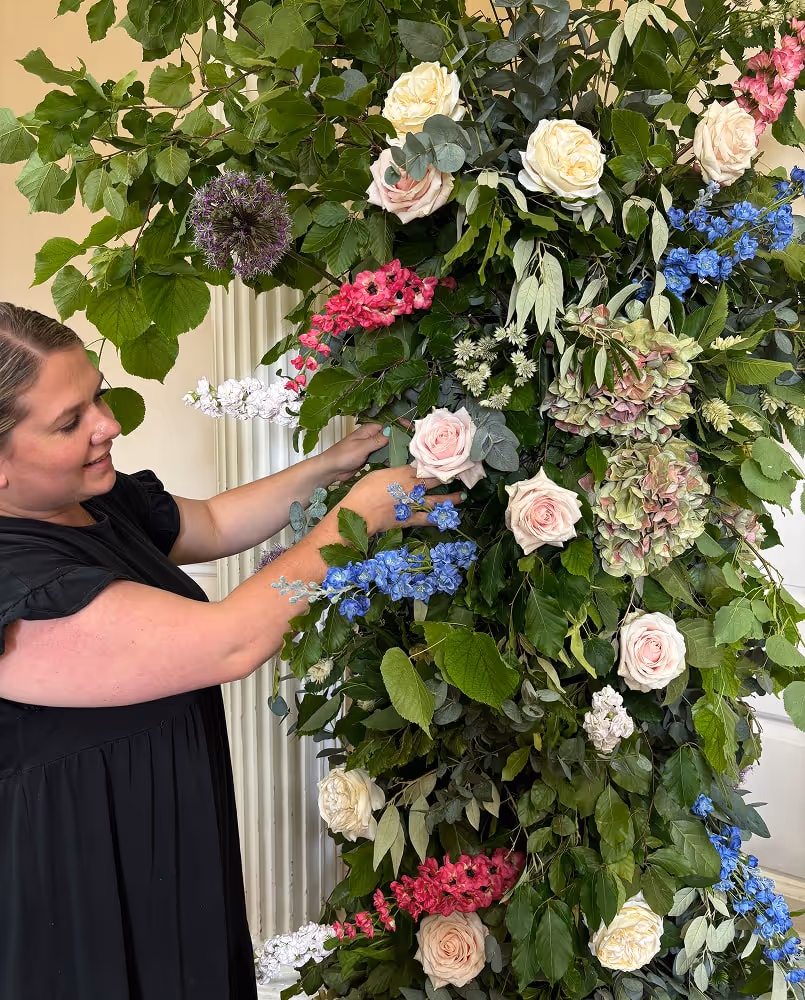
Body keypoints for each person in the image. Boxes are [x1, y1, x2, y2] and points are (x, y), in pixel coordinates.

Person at [0, 303, 456, 1000]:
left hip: (163, 840)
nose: (108, 424)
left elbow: (210, 521)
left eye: (96, 394)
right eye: (70, 422)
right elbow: (228, 643)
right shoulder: (18, 584)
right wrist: (352, 522)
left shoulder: (83, 498)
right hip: (76, 879)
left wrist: (330, 467)